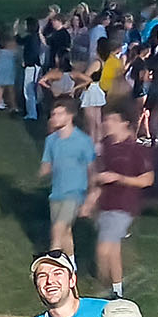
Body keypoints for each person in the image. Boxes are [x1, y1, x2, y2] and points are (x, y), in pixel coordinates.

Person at [87, 101, 154, 296]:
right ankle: (117, 289)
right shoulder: (107, 145)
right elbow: (99, 173)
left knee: (103, 249)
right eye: (106, 119)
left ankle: (102, 288)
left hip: (124, 205)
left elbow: (148, 180)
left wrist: (119, 178)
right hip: (106, 203)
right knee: (113, 250)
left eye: (113, 120)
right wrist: (92, 195)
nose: (107, 123)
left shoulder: (136, 149)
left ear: (125, 123)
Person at [39, 100, 96, 262]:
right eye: (53, 114)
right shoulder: (51, 140)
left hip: (76, 193)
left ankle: (53, 264)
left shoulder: (83, 141)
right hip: (56, 192)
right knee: (65, 231)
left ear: (70, 116)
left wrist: (91, 196)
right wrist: (42, 172)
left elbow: (92, 169)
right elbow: (46, 164)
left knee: (57, 230)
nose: (54, 117)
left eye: (59, 114)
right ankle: (71, 265)